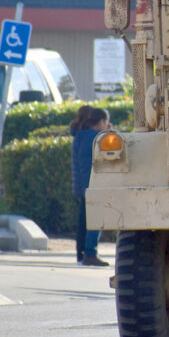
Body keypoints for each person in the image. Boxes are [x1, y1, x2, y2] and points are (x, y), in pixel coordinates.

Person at [71, 105, 111, 267]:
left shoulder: (80, 136)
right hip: (93, 185)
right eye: (106, 122)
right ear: (101, 121)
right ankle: (90, 253)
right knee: (96, 219)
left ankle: (83, 253)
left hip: (82, 186)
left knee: (84, 222)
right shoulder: (95, 138)